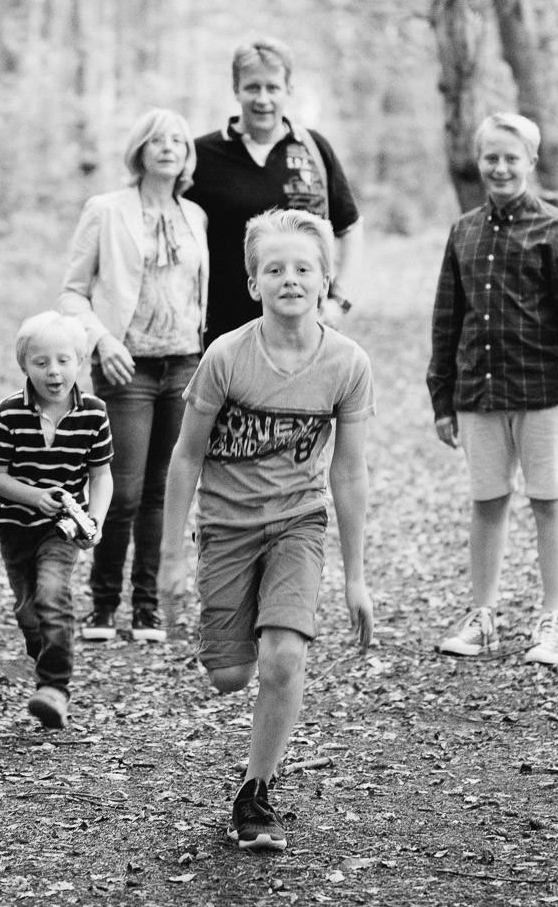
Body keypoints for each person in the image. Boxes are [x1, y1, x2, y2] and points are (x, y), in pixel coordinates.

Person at [160, 208, 375, 852]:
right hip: (225, 527)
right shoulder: (227, 357)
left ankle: (256, 792)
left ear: (325, 280)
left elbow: (350, 470)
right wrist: (172, 555)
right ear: (253, 282)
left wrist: (356, 577)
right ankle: (242, 640)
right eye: (274, 269)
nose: (290, 279)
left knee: (285, 658)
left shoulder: (347, 364)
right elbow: (186, 456)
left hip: (297, 524)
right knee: (229, 676)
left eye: (303, 268)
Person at [426, 113, 558, 666]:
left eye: (512, 157)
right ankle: (482, 616)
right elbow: (446, 318)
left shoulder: (557, 230)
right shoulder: (464, 231)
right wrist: (442, 396)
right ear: (479, 162)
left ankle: (554, 621)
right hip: (478, 395)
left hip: (543, 392)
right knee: (487, 502)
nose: (501, 167)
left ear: (530, 161)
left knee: (550, 500)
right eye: (491, 158)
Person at [59, 108, 209, 644]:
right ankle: (102, 608)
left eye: (178, 140)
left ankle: (145, 609)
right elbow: (71, 291)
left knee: (162, 493)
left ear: (187, 155)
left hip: (184, 364)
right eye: (157, 139)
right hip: (129, 368)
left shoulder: (195, 216)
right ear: (140, 151)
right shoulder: (106, 210)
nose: (168, 147)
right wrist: (103, 342)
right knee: (120, 492)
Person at [0, 311, 114, 729]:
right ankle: (46, 655)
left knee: (53, 593)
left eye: (63, 360)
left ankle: (55, 688)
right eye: (41, 363)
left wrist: (96, 517)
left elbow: (101, 475)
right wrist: (35, 496)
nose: (53, 371)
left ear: (80, 362)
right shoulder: (7, 414)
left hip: (62, 528)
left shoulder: (94, 413)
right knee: (28, 610)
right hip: (15, 527)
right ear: (25, 366)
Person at [188, 37, 364, 345]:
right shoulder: (201, 156)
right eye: (252, 87)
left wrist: (339, 301)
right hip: (226, 336)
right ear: (236, 90)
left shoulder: (314, 149)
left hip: (306, 333)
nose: (263, 99)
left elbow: (350, 227)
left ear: (289, 90)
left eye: (273, 88)